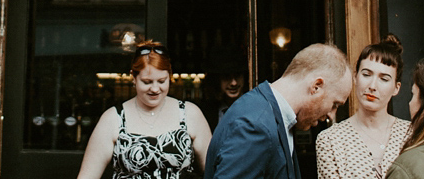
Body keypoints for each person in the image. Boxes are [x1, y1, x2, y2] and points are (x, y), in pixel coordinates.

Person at [205, 42, 353, 179]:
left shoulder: (273, 116)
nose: (331, 115)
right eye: (335, 104)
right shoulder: (255, 126)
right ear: (316, 86)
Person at [77, 40, 213, 179]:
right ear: (134, 78)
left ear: (170, 76)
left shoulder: (189, 114)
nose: (155, 89)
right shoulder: (113, 118)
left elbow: (213, 172)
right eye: (147, 82)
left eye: (161, 81)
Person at [316, 34, 411, 178]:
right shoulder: (331, 140)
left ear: (396, 88)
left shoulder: (412, 134)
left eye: (384, 79)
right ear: (355, 77)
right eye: (366, 75)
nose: (372, 86)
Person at [201, 48, 248, 131]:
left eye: (237, 75)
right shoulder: (207, 113)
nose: (234, 83)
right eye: (227, 77)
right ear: (217, 80)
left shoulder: (255, 108)